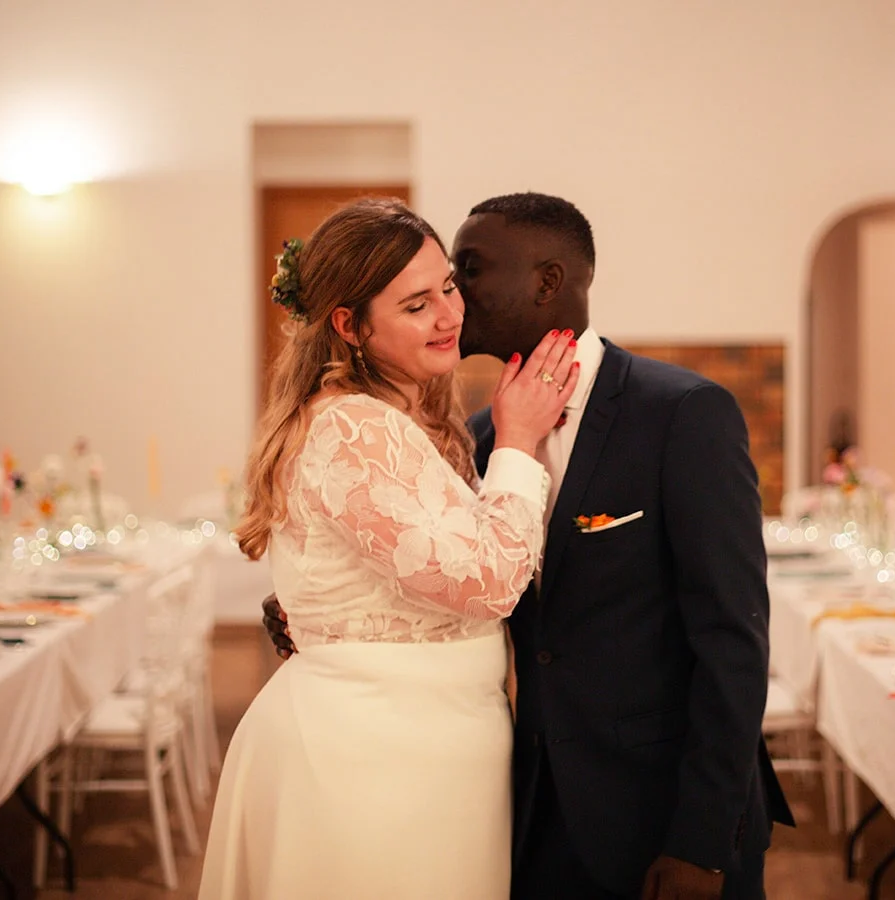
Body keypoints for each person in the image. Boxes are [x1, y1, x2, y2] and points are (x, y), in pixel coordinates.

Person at [265, 192, 793, 900]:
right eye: (433, 290)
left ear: (547, 282)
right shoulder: (481, 437)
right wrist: (314, 602)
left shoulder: (682, 414)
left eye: (465, 275)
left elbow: (734, 639)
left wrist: (700, 839)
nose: (455, 300)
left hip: (663, 810)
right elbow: (431, 561)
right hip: (532, 809)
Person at [199, 197, 580, 900]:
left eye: (448, 288)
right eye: (415, 306)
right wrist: (521, 442)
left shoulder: (414, 418)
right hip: (370, 763)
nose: (448, 315)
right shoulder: (352, 428)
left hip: (422, 753)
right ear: (350, 325)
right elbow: (488, 581)